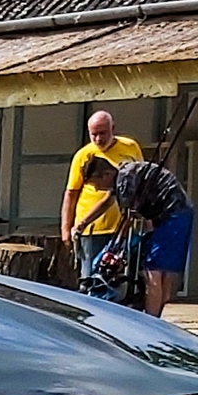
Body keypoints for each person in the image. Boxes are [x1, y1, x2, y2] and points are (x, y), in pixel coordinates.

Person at [71, 151, 194, 316]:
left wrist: (115, 249)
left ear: (107, 174)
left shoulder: (125, 180)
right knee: (164, 269)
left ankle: (151, 320)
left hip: (171, 216)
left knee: (152, 269)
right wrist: (83, 223)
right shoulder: (123, 173)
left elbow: (129, 218)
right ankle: (158, 309)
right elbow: (107, 201)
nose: (97, 189)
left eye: (97, 183)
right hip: (178, 212)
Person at [60, 111, 142, 280]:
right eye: (93, 135)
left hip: (123, 227)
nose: (98, 139)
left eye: (102, 133)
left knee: (118, 277)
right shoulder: (84, 155)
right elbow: (71, 193)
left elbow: (141, 182)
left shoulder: (130, 147)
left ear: (113, 129)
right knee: (91, 277)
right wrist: (65, 228)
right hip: (92, 229)